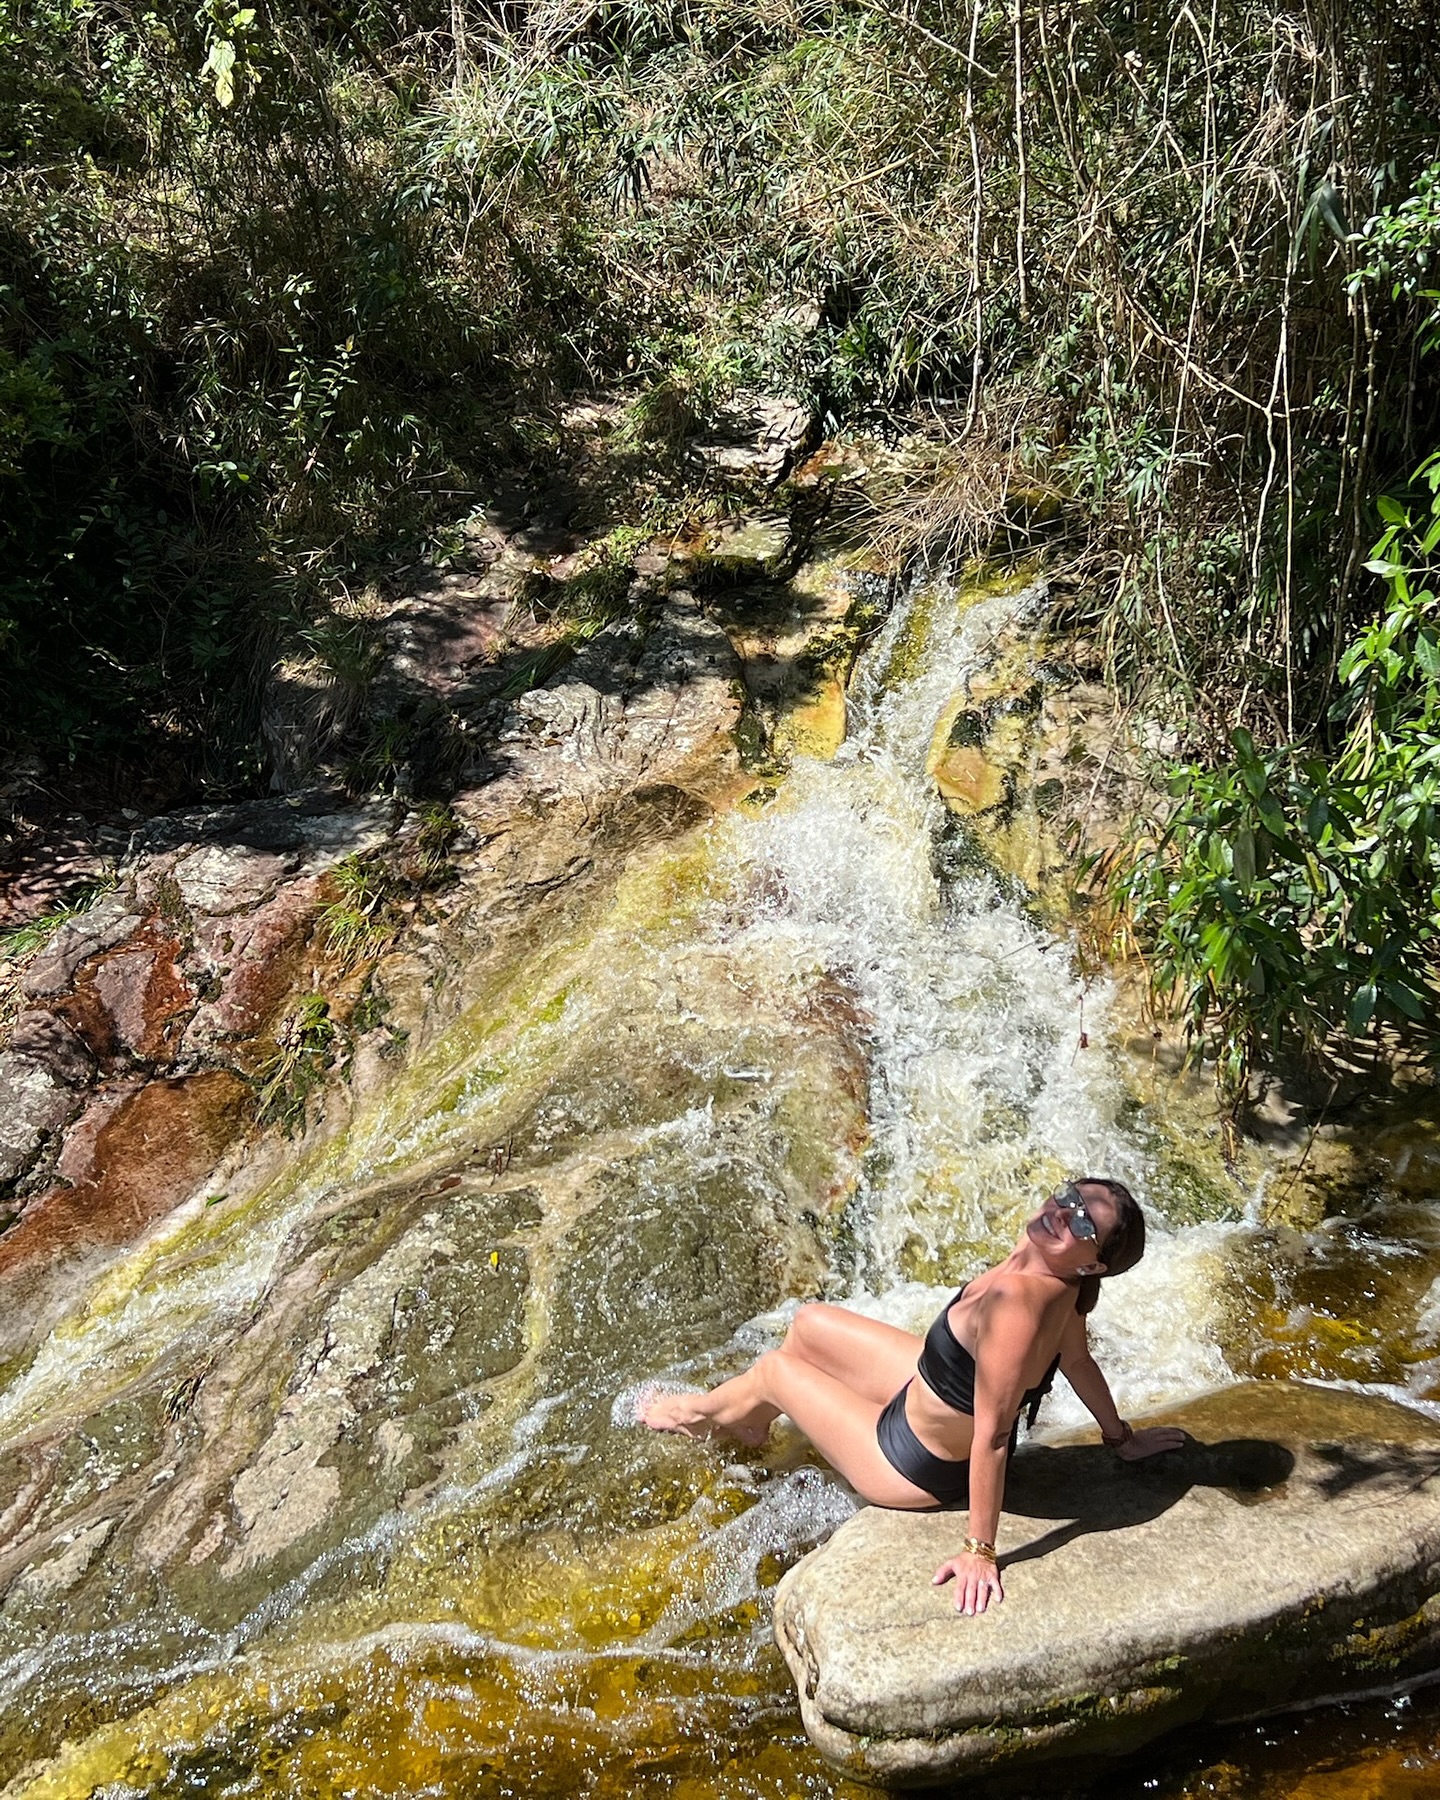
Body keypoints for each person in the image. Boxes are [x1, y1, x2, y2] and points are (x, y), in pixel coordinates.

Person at [642, 1177, 1185, 1615]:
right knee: (808, 1324)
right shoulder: (1053, 1269)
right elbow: (1078, 1361)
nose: (1063, 1212)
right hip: (924, 1392)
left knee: (777, 1369)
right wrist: (1120, 1438)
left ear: (1092, 1263)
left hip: (910, 1462)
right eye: (1070, 1196)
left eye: (1083, 1222)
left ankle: (703, 1412)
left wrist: (980, 1550)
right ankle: (754, 1422)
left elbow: (994, 1437)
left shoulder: (1020, 1304)